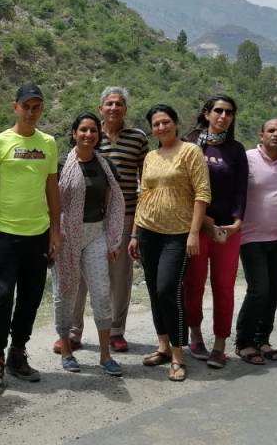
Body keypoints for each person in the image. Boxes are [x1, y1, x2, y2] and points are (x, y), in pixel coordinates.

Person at [0, 84, 61, 396]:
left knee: (31, 297)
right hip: (5, 234)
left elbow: (52, 189)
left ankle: (17, 353)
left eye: (36, 107)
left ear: (41, 110)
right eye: (26, 106)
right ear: (15, 107)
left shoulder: (49, 144)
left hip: (38, 235)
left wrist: (56, 231)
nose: (31, 112)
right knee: (2, 298)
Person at [129, 104, 210, 383]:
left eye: (165, 122)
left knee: (168, 290)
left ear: (175, 123)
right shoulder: (151, 156)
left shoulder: (190, 151)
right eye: (156, 124)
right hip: (149, 231)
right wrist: (134, 234)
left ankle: (178, 354)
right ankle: (162, 346)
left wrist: (194, 232)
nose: (161, 127)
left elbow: (202, 193)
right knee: (153, 289)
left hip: (178, 233)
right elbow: (144, 194)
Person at [63, 87, 147, 355]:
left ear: (125, 108)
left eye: (119, 104)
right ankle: (73, 332)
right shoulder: (90, 135)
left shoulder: (137, 139)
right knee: (78, 277)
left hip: (123, 217)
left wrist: (136, 228)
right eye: (109, 104)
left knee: (119, 276)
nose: (114, 108)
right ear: (101, 109)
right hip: (85, 219)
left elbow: (145, 180)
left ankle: (116, 332)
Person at [52, 112, 126, 376]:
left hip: (96, 234)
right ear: (74, 133)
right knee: (65, 292)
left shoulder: (105, 166)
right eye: (83, 130)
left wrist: (113, 238)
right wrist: (54, 235)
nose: (88, 135)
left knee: (101, 292)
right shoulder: (61, 165)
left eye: (93, 130)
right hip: (66, 235)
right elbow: (52, 203)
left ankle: (105, 355)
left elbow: (113, 203)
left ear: (99, 135)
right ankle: (68, 351)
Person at [182, 95, 248, 369]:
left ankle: (220, 344)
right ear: (207, 113)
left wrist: (236, 223)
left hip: (226, 232)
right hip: (196, 228)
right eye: (218, 111)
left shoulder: (236, 150)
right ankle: (195, 336)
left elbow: (241, 191)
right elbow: (182, 186)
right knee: (194, 285)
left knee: (224, 288)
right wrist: (202, 223)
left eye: (229, 112)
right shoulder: (189, 145)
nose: (223, 116)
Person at [234, 119, 277, 364]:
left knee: (274, 292)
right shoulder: (247, 158)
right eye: (271, 130)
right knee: (259, 290)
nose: (276, 134)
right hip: (251, 237)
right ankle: (244, 342)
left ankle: (262, 339)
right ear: (261, 134)